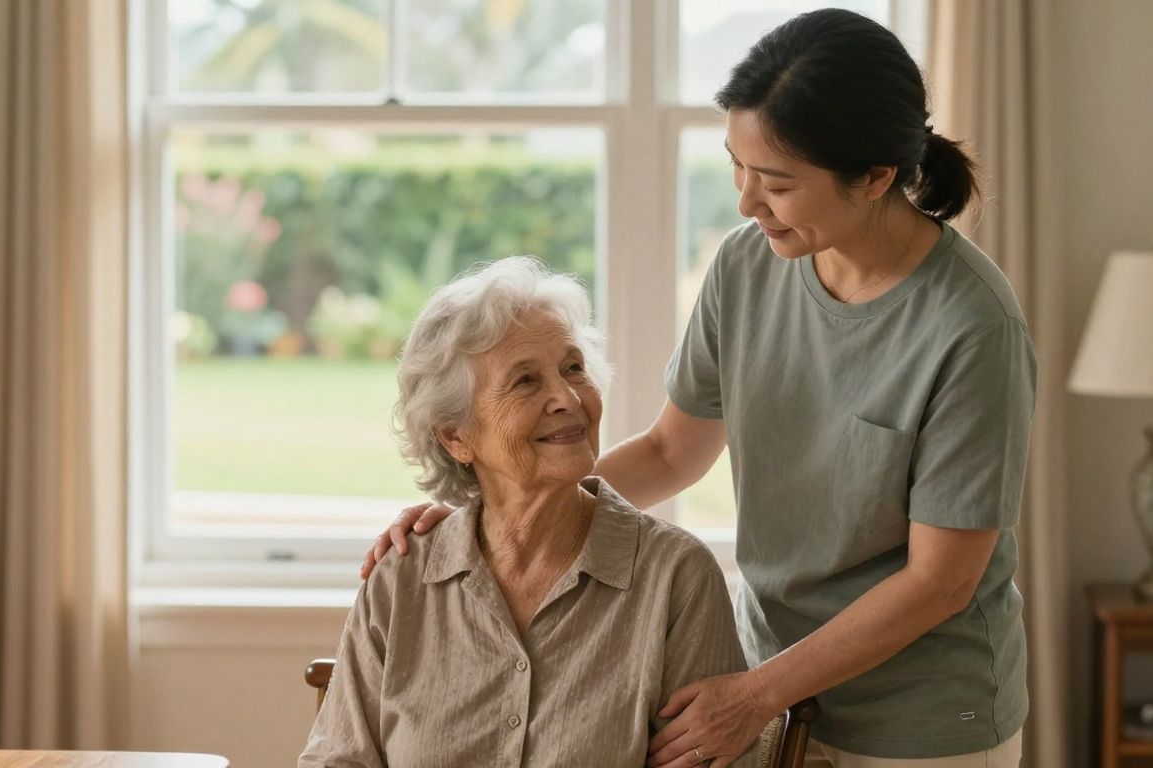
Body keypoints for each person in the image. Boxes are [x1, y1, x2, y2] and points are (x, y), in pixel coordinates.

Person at [362, 9, 1034, 768]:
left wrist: (755, 694)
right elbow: (669, 453)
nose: (747, 202)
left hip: (920, 721)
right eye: (736, 167)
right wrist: (483, 511)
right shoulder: (750, 265)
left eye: (776, 183)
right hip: (769, 679)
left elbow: (940, 583)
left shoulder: (973, 327)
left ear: (876, 177)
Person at [300, 257, 756, 767]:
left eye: (573, 368)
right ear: (455, 437)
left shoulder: (675, 577)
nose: (567, 398)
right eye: (525, 381)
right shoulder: (403, 575)